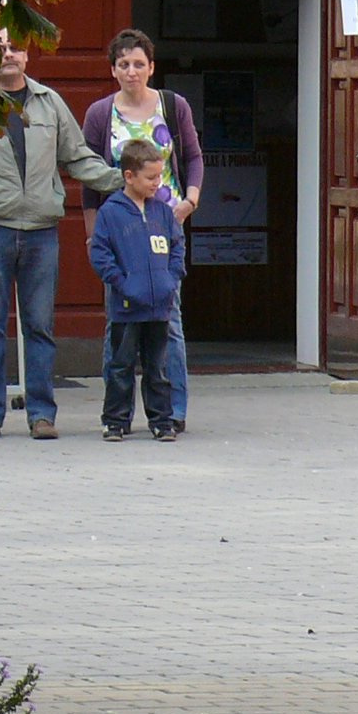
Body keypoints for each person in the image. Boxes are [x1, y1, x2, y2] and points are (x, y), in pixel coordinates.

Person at [0, 30, 122, 440]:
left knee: (39, 326)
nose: (8, 55)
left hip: (43, 231)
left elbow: (78, 159)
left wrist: (124, 181)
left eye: (15, 48)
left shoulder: (50, 102)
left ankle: (41, 414)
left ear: (28, 55)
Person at [82, 28, 202, 434]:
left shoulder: (172, 105)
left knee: (169, 320)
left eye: (138, 64)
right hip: (119, 229)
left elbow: (193, 155)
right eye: (123, 64)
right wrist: (92, 229)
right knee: (120, 325)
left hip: (164, 224)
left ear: (151, 67)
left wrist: (190, 200)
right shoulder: (101, 114)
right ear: (113, 69)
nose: (131, 71)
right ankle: (117, 416)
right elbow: (88, 175)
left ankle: (172, 409)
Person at [89, 139, 187, 442]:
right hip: (126, 307)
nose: (156, 184)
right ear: (129, 176)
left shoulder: (162, 212)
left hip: (159, 304)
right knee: (121, 365)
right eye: (150, 178)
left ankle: (161, 421)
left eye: (159, 177)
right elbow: (101, 253)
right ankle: (116, 421)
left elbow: (176, 248)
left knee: (158, 367)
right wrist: (122, 284)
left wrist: (171, 279)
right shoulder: (111, 213)